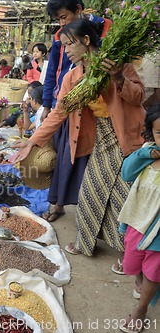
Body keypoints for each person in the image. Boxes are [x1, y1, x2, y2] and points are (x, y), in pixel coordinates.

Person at [12, 19, 145, 257]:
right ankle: (86, 243)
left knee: (122, 198)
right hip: (101, 139)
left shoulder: (118, 66)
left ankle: (130, 257)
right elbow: (59, 112)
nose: (67, 51)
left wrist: (118, 80)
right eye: (63, 46)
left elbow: (138, 97)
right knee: (90, 191)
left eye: (69, 44)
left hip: (126, 137)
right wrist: (32, 141)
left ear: (86, 40)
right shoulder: (72, 78)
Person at [39, 0, 111, 223]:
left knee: (85, 160)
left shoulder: (105, 29)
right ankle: (59, 203)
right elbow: (53, 70)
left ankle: (87, 213)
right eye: (58, 19)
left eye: (63, 17)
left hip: (92, 108)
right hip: (65, 103)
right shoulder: (61, 38)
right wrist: (47, 104)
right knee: (63, 157)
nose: (61, 23)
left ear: (78, 10)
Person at [116, 104, 160, 333]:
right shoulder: (148, 153)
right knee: (133, 263)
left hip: (158, 230)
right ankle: (140, 280)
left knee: (155, 268)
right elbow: (126, 173)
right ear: (151, 133)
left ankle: (141, 308)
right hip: (137, 221)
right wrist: (145, 152)